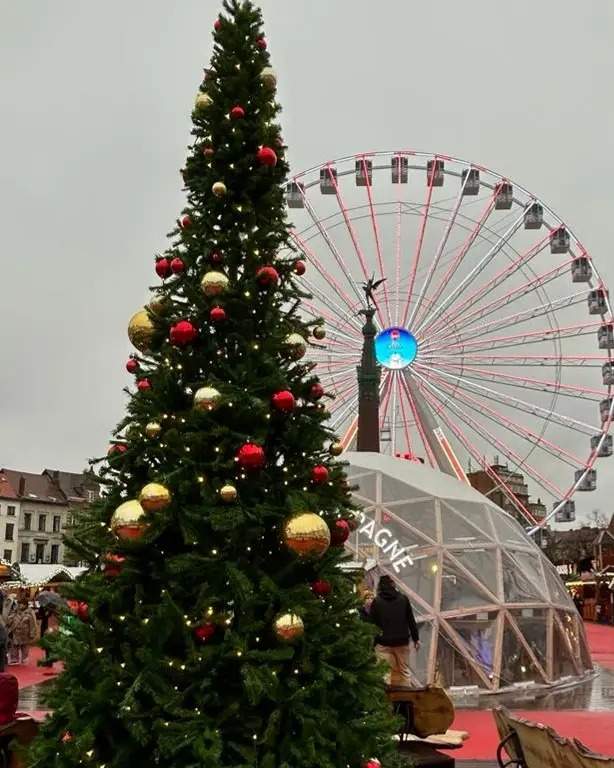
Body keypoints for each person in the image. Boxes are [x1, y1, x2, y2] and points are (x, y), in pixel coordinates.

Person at [369, 574, 420, 687]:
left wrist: (373, 643)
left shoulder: (376, 602)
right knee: (404, 672)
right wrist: (416, 638)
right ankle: (406, 701)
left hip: (383, 643)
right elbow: (411, 620)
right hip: (401, 642)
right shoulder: (403, 599)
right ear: (392, 585)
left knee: (384, 674)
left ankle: (386, 702)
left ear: (380, 587)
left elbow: (372, 625)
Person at [7, 598, 38, 665]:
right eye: (19, 604)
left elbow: (33, 623)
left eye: (21, 604)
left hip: (25, 633)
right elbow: (9, 621)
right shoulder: (15, 611)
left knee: (25, 646)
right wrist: (12, 615)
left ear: (25, 605)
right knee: (14, 646)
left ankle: (25, 658)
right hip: (15, 632)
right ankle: (14, 659)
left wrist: (32, 633)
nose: (20, 605)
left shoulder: (30, 612)